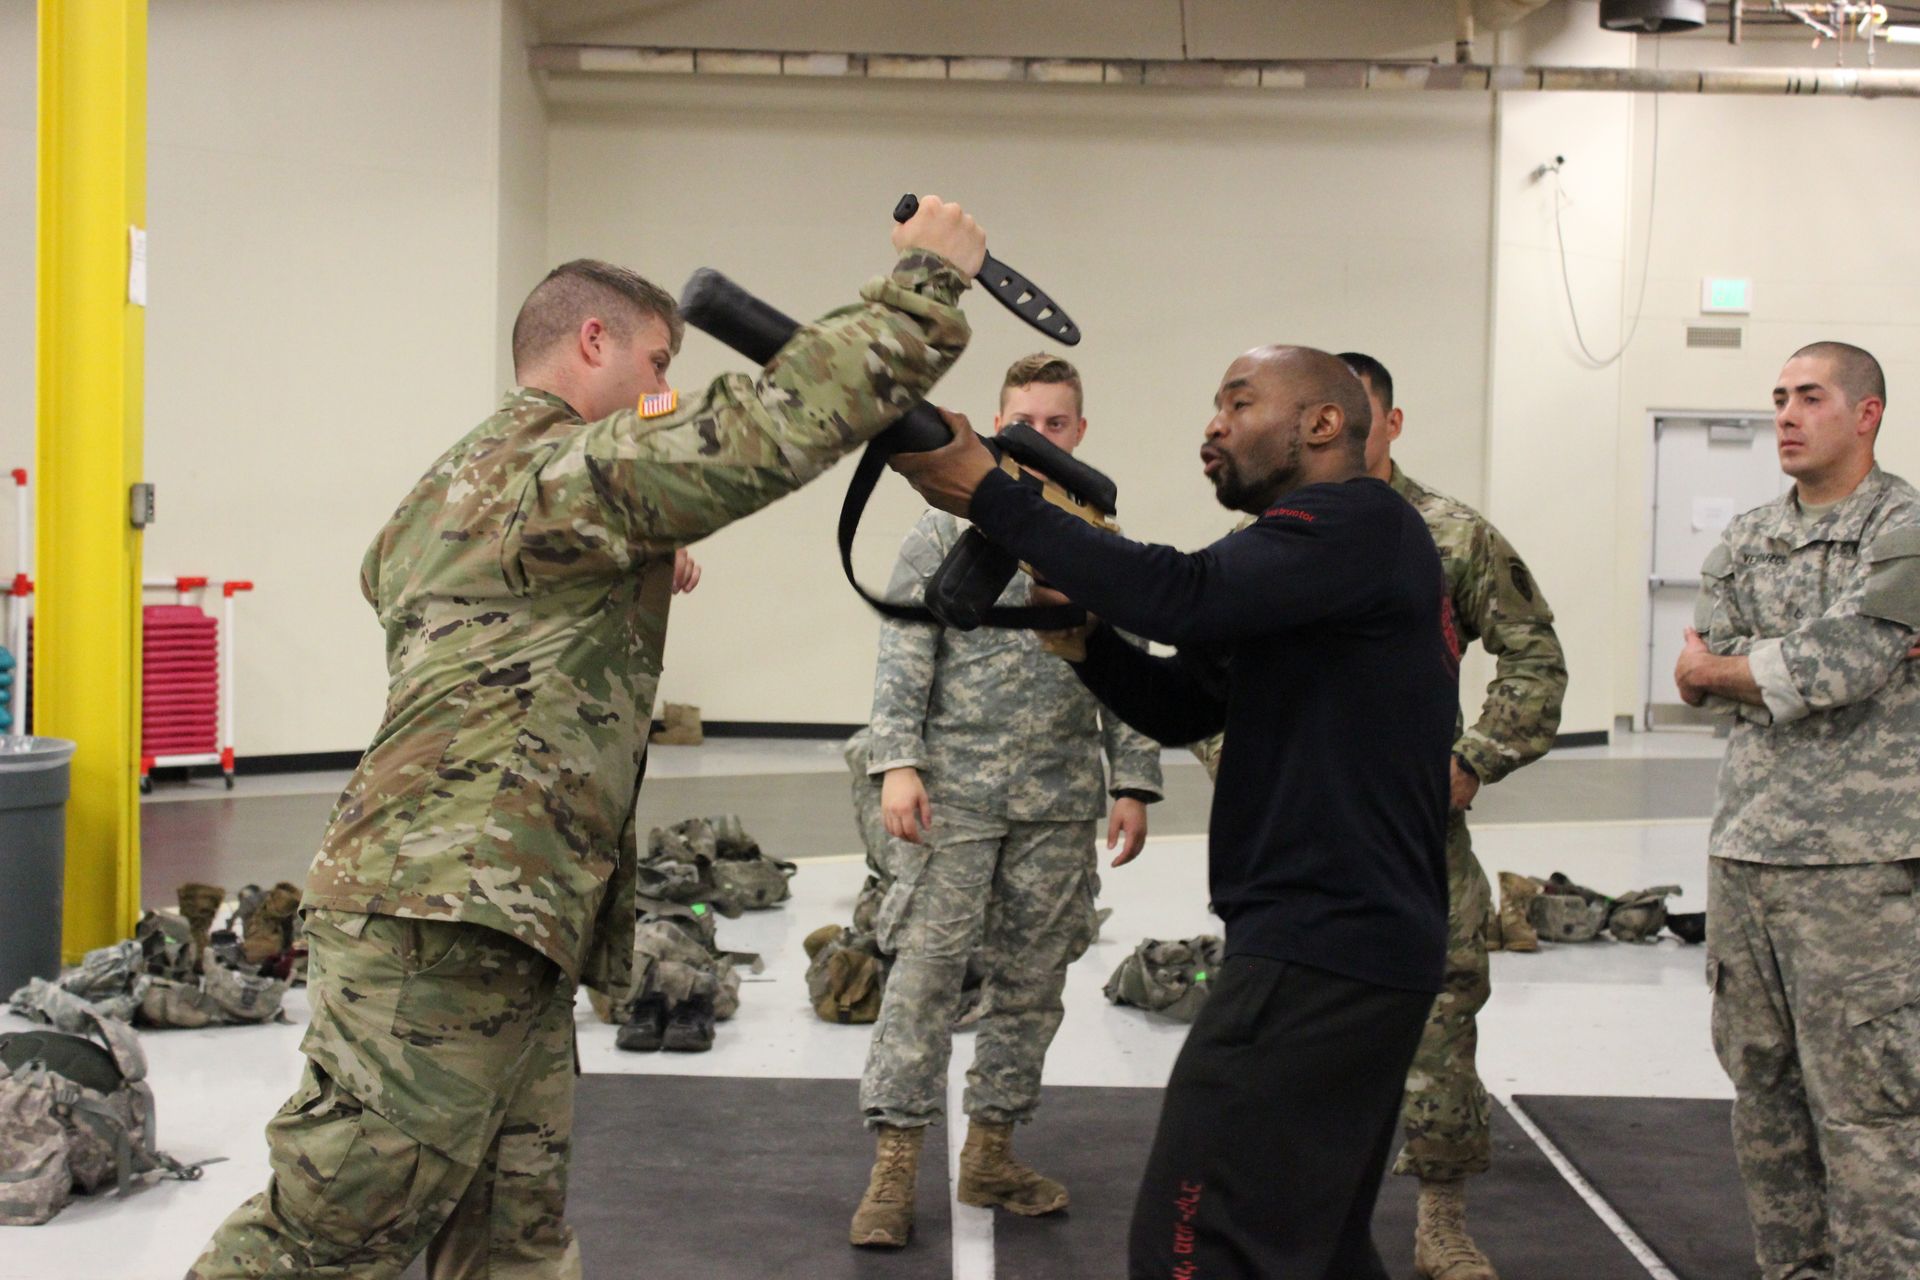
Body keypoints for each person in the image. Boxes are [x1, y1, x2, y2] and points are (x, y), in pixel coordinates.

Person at [187, 196, 988, 1279]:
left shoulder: (455, 490)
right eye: (655, 364)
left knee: (513, 1233)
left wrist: (625, 560)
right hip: (444, 916)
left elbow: (424, 589)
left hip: (495, 917)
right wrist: (924, 289)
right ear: (592, 341)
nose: (661, 391)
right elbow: (764, 425)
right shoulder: (557, 471)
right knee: (332, 1227)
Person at [893, 344, 1457, 1280]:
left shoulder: (1353, 522)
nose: (1213, 425)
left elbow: (1182, 593)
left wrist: (994, 494)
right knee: (1311, 1247)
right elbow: (1184, 703)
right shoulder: (1314, 566)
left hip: (1322, 943)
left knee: (1189, 1245)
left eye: (1238, 404)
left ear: (1322, 423)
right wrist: (1087, 645)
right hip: (1350, 946)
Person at [850, 353, 1164, 1249]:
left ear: (1080, 433)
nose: (1039, 440)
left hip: (1060, 800)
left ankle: (990, 1152)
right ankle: (894, 1170)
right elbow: (903, 657)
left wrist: (1133, 780)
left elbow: (1127, 665)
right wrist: (898, 762)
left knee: (1032, 985)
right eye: (1021, 426)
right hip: (955, 793)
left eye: (1056, 425)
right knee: (923, 979)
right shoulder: (942, 534)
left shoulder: (1098, 535)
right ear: (995, 429)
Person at [1677, 341, 1920, 1280]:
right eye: (1777, 397)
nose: (1784, 414)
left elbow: (1849, 660)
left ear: (1866, 414)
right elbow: (1701, 665)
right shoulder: (1745, 536)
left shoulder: (1902, 527)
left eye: (1809, 397)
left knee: (1871, 1108)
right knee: (1763, 1097)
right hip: (1747, 856)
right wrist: (1758, 668)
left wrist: (1740, 670)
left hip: (1860, 867)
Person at [1343, 352, 1565, 1280]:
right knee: (1308, 1040)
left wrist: (1471, 763)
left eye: (1360, 419)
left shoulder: (1451, 537)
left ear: (1391, 425)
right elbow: (1212, 674)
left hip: (1416, 837)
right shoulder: (1276, 530)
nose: (1341, 435)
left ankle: (1439, 1219)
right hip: (1307, 843)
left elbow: (1534, 661)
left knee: (1441, 1022)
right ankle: (1313, 1220)